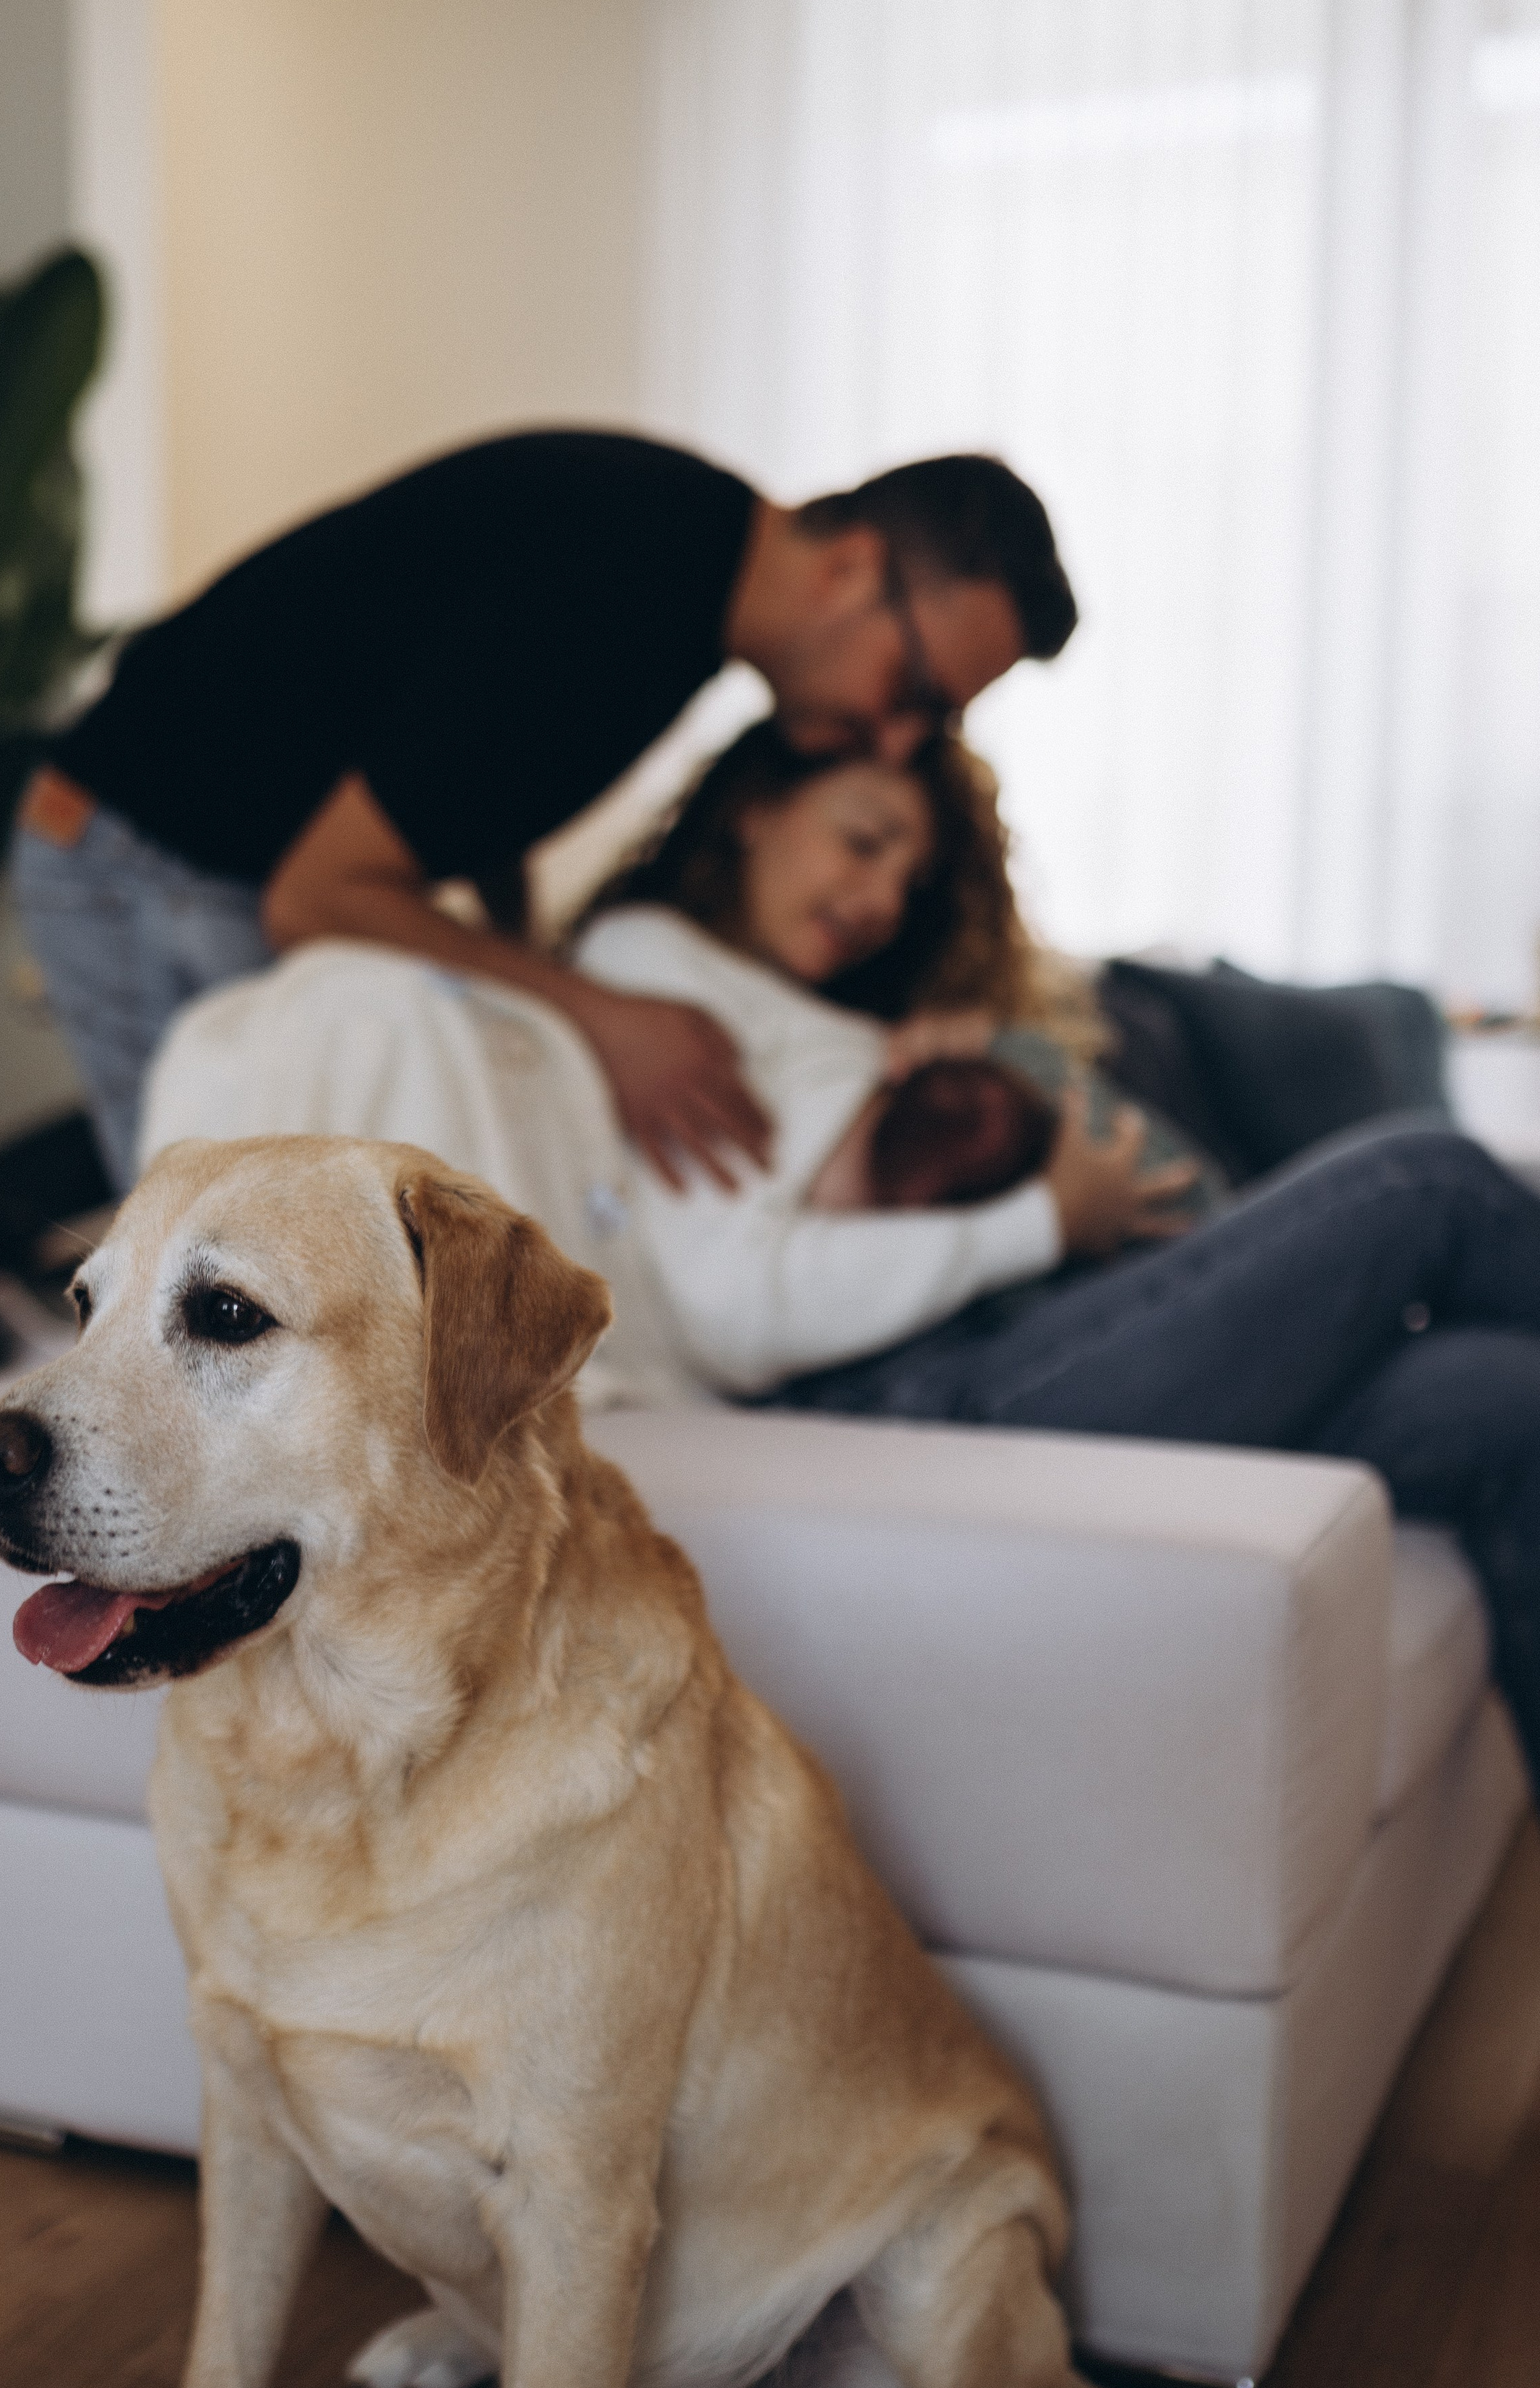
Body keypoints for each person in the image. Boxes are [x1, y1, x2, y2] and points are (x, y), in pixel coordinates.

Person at [572, 722, 1540, 1788]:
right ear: (754, 807)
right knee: (1424, 1181)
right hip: (941, 1386)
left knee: (1503, 1398)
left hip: (1046, 1326)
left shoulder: (844, 1019)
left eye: (912, 877)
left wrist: (986, 1059)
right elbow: (734, 1309)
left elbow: (1174, 1195)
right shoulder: (649, 970)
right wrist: (1045, 1219)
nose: (884, 899)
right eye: (863, 841)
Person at [11, 433, 1076, 1192]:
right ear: (852, 570)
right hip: (143, 849)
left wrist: (519, 953)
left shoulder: (684, 566)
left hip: (221, 853)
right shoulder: (622, 592)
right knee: (233, 1254)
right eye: (914, 694)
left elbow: (464, 781)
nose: (897, 744)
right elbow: (317, 897)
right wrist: (599, 1019)